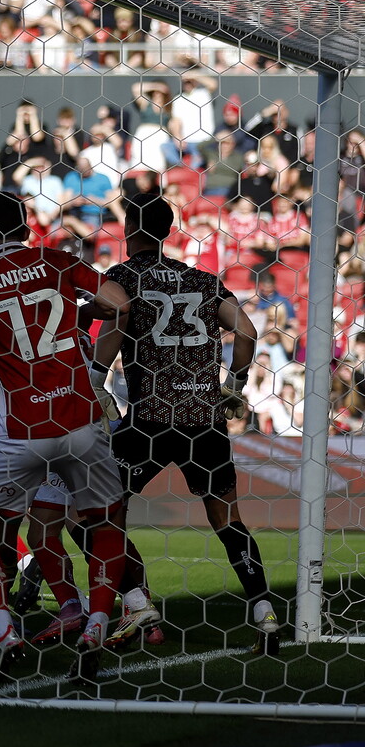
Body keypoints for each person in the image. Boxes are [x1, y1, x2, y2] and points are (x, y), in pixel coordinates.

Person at [93, 194, 279, 649]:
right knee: (228, 520)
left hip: (150, 418)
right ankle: (266, 614)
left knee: (96, 513)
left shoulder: (122, 277)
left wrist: (97, 382)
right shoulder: (202, 279)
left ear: (130, 229)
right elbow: (249, 332)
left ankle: (137, 604)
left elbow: (110, 324)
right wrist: (233, 385)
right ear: (168, 231)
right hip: (204, 418)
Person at [0, 192, 130, 682]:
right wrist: (95, 363)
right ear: (26, 226)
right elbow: (119, 304)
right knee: (101, 522)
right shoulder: (58, 265)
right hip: (81, 421)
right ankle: (96, 618)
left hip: (21, 430)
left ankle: (0, 627)